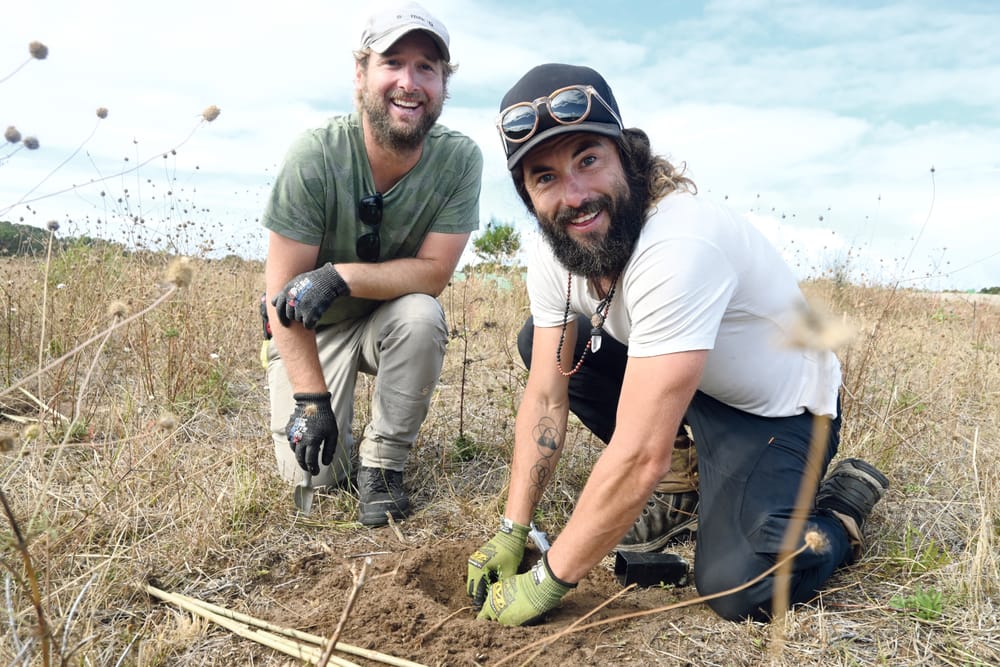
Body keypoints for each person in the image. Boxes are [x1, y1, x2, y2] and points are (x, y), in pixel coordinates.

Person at [466, 63, 888, 625]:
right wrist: (513, 528)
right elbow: (546, 395)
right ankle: (687, 481)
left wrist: (549, 579)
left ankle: (839, 514)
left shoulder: (679, 242)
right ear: (526, 194)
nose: (575, 196)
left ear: (626, 156)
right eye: (545, 177)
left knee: (739, 588)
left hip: (775, 411)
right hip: (685, 383)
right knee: (555, 348)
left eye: (588, 160)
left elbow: (641, 453)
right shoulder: (554, 251)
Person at [262, 2, 482, 527]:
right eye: (392, 63)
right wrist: (311, 399)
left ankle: (384, 465)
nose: (410, 82)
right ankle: (330, 421)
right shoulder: (314, 156)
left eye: (426, 67)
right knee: (315, 480)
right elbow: (282, 298)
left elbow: (434, 273)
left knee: (421, 315)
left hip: (389, 317)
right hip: (316, 328)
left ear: (443, 85)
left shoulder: (460, 160)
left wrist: (340, 276)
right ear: (360, 74)